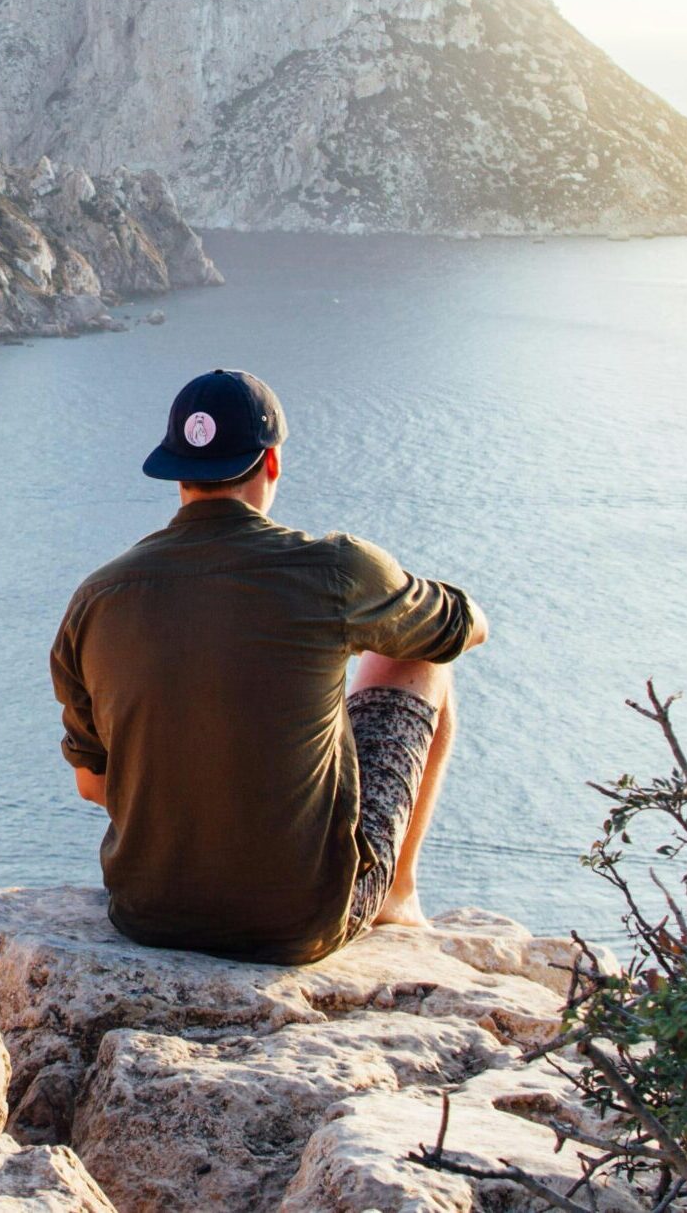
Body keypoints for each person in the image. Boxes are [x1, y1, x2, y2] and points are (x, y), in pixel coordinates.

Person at [49, 368, 488, 965]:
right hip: (297, 923)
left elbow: (93, 784)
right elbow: (461, 628)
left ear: (177, 472)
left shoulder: (96, 598)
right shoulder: (334, 570)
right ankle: (396, 896)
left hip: (148, 914)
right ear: (272, 463)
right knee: (422, 658)